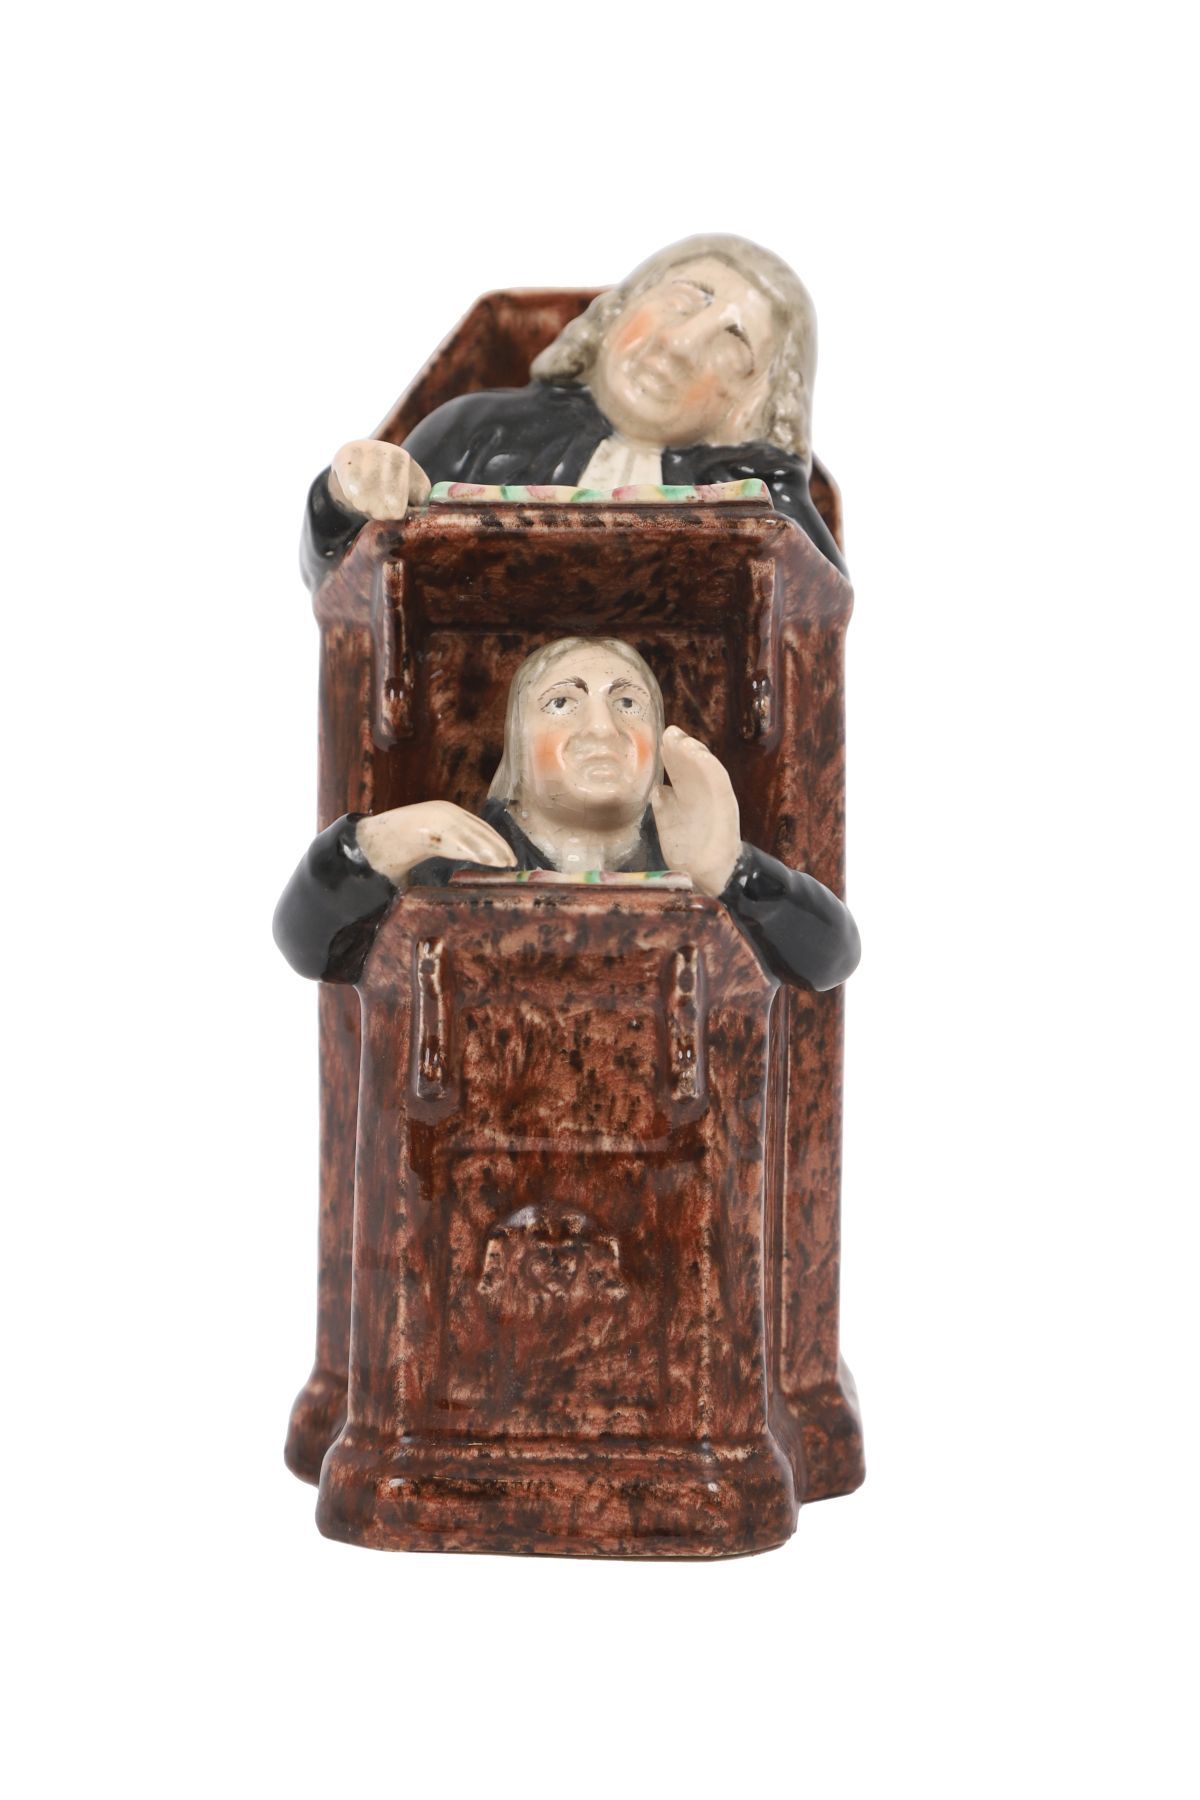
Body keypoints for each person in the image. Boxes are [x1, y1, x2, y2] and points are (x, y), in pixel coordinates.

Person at [274, 637, 860, 992]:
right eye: (562, 703)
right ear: (518, 741)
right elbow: (309, 949)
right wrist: (375, 845)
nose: (602, 730)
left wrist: (732, 873)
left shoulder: (694, 866)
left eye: (627, 703)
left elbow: (831, 959)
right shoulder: (448, 873)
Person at [302, 234, 847, 589]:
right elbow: (341, 580)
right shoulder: (482, 431)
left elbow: (814, 622)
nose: (680, 346)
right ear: (615, 311)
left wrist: (775, 490)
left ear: (751, 406)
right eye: (683, 301)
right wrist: (345, 498)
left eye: (733, 345)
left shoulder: (745, 508)